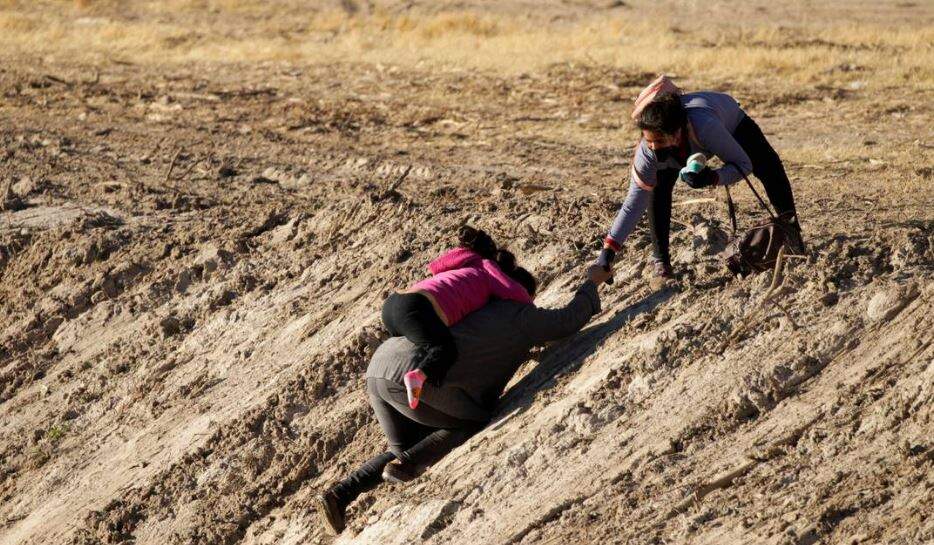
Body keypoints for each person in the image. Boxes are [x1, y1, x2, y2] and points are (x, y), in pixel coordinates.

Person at [315, 264, 613, 535]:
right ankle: (406, 465)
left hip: (380, 366)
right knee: (473, 420)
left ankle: (340, 494)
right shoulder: (519, 312)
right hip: (415, 374)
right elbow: (566, 321)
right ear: (520, 292)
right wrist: (592, 283)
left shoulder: (471, 306)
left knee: (406, 445)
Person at [596, 76, 804, 279]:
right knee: (657, 190)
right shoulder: (648, 152)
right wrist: (609, 250)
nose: (652, 146)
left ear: (676, 133)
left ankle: (793, 234)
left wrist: (712, 177)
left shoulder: (705, 126)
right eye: (648, 141)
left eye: (658, 141)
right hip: (686, 145)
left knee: (769, 168)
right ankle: (661, 263)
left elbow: (743, 165)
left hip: (730, 121)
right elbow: (634, 202)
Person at [381, 226, 533, 406]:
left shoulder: (461, 268)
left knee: (418, 346)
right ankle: (417, 376)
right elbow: (515, 292)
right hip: (414, 308)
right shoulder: (487, 267)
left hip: (392, 305)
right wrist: (532, 309)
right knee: (445, 349)